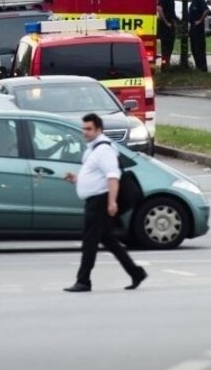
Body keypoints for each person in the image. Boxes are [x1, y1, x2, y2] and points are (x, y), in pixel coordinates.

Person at [62, 113, 147, 292]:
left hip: (100, 202)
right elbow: (95, 176)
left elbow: (113, 176)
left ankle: (83, 280)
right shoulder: (92, 149)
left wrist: (112, 202)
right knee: (108, 240)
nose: (85, 132)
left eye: (89, 129)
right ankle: (136, 272)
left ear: (99, 129)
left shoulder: (104, 150)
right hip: (94, 201)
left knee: (90, 242)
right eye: (84, 128)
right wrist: (77, 179)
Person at [156, 0, 178, 69]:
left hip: (170, 24)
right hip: (165, 26)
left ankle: (167, 64)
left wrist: (176, 21)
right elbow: (159, 9)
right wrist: (167, 22)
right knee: (165, 47)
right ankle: (164, 66)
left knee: (170, 46)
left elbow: (171, 12)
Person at [187, 0, 209, 71]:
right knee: (194, 49)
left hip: (199, 30)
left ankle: (202, 68)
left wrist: (200, 21)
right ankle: (198, 67)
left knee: (199, 49)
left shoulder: (201, 1)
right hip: (193, 29)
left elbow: (206, 11)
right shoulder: (193, 3)